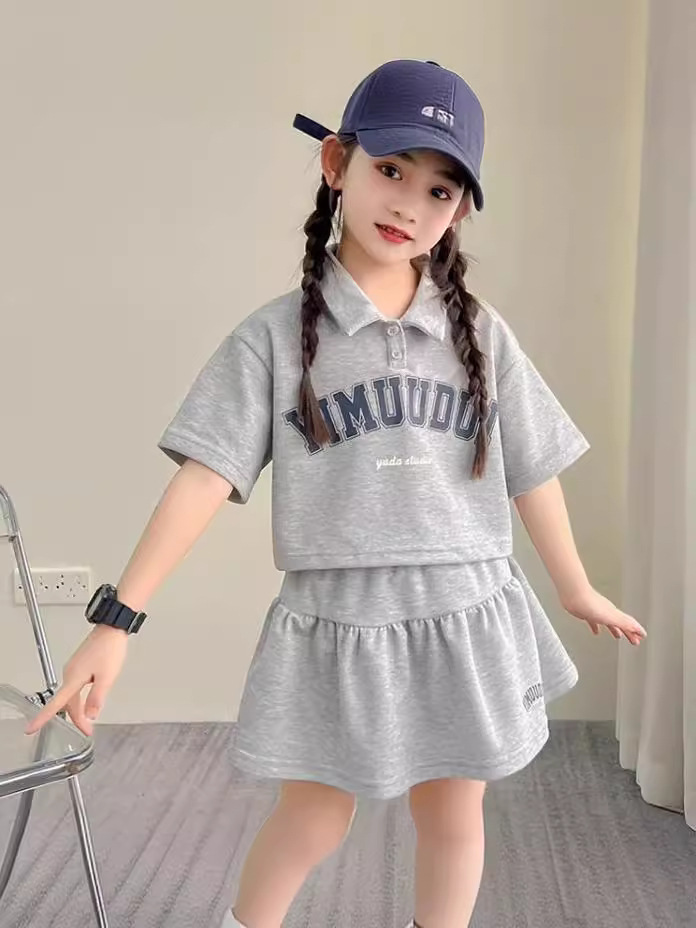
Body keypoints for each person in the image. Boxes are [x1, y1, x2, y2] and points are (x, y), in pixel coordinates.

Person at [26, 59, 647, 928]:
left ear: (459, 211)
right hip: (340, 620)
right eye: (390, 169)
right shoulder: (274, 339)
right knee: (315, 815)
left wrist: (574, 586)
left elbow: (531, 466)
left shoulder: (480, 334)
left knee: (453, 813)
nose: (409, 205)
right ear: (336, 163)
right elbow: (204, 476)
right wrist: (116, 621)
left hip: (465, 609)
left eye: (439, 190)